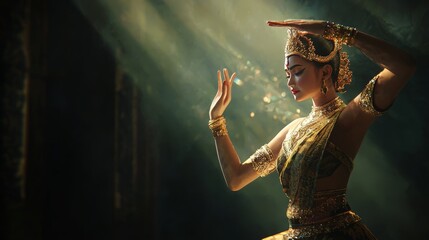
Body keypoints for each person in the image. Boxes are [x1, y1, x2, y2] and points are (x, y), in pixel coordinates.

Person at [208, 20, 415, 239]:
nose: (290, 82)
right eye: (288, 74)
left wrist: (335, 31)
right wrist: (216, 120)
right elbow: (236, 178)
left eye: (297, 71)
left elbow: (404, 66)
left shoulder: (347, 120)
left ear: (325, 71)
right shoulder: (293, 129)